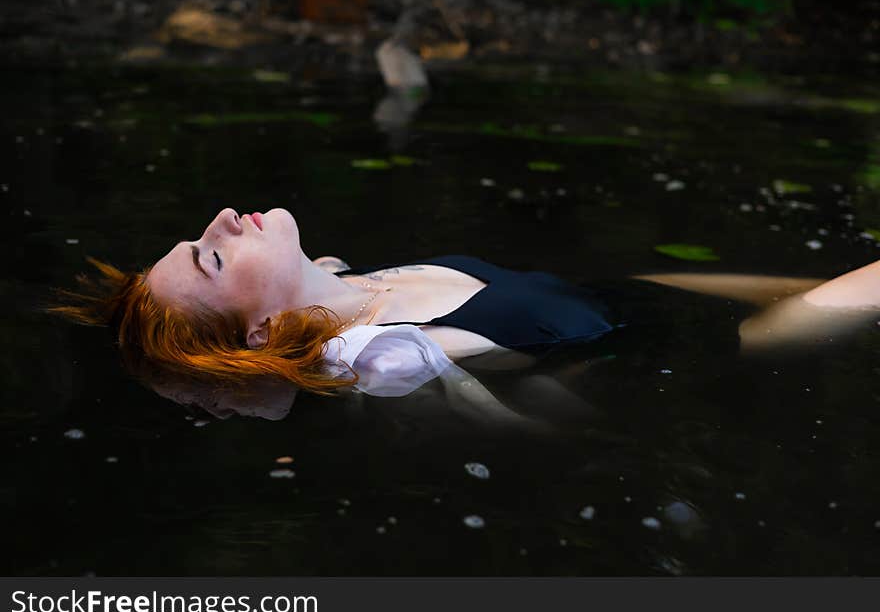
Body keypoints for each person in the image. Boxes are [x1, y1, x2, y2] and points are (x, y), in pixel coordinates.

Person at [51, 207, 880, 404]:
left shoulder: (338, 276)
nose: (221, 221)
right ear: (261, 329)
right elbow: (522, 417)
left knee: (811, 275)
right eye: (210, 256)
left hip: (630, 296)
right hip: (699, 344)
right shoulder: (400, 349)